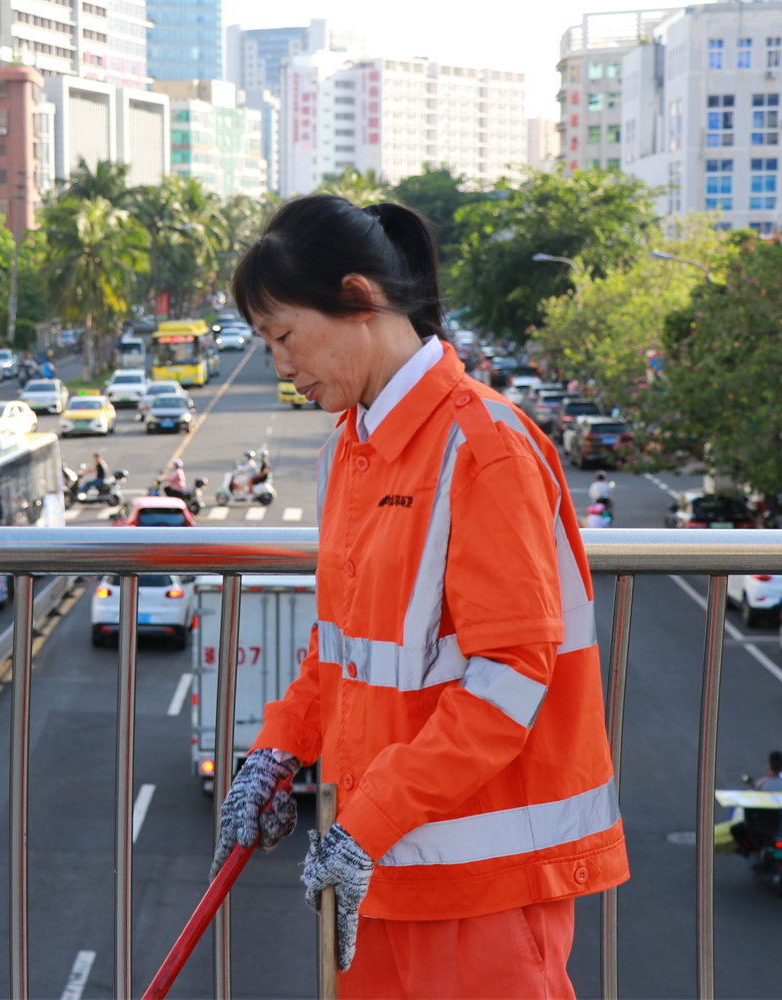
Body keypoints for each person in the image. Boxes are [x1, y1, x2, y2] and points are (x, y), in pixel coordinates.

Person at [211, 195, 626, 997]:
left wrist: (364, 827)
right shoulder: (353, 450)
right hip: (386, 867)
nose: (283, 367)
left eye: (286, 338)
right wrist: (276, 749)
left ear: (360, 301)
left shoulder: (484, 448)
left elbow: (509, 679)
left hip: (486, 883)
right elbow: (339, 647)